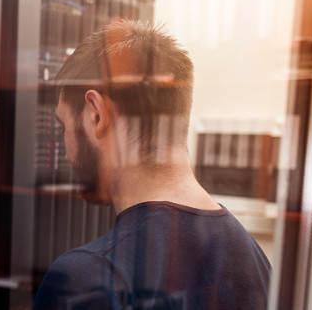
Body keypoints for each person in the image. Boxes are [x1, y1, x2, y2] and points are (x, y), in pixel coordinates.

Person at [33, 20, 271, 309]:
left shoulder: (85, 277)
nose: (66, 151)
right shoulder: (256, 262)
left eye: (64, 127)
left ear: (96, 114)